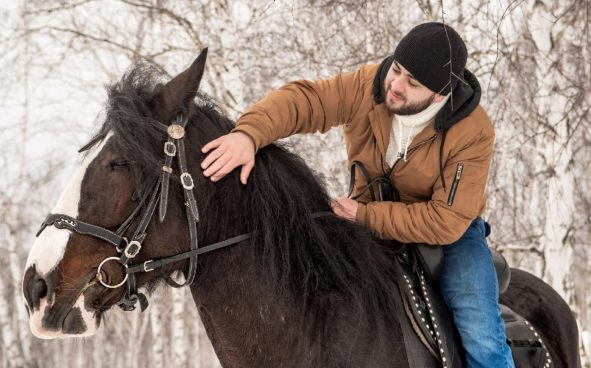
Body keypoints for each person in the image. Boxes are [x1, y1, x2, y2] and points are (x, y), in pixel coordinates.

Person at [200, 22, 515, 367]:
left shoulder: (473, 130)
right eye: (397, 69)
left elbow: (446, 220)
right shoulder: (369, 86)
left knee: (480, 333)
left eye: (412, 83)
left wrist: (364, 215)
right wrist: (249, 135)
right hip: (364, 218)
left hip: (446, 236)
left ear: (440, 95)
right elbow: (306, 101)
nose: (395, 85)